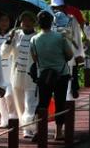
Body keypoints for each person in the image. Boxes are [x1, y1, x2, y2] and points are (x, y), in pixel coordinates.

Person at [31, 10, 74, 141]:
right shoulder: (59, 37)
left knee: (43, 103)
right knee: (60, 102)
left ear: (38, 23)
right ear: (51, 22)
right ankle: (58, 132)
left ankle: (39, 130)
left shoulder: (34, 39)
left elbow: (35, 58)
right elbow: (69, 55)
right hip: (61, 74)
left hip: (44, 76)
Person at [1, 11, 39, 138]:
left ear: (34, 23)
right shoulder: (15, 35)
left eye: (29, 20)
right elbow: (4, 54)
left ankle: (30, 127)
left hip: (31, 76)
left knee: (30, 103)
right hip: (17, 75)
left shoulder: (37, 37)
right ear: (20, 22)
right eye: (24, 20)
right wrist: (9, 39)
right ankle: (25, 128)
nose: (26, 23)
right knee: (20, 104)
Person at [50, 0, 85, 100]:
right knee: (55, 78)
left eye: (59, 7)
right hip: (54, 54)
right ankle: (58, 99)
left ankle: (68, 100)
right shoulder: (50, 20)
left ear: (63, 7)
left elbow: (77, 37)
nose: (57, 10)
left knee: (68, 77)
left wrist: (79, 54)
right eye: (54, 8)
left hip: (68, 53)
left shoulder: (71, 19)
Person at [0, 13, 14, 125]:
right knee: (0, 96)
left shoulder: (13, 34)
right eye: (1, 20)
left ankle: (12, 116)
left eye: (6, 20)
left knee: (10, 94)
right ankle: (4, 119)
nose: (4, 23)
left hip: (10, 68)